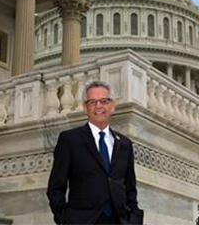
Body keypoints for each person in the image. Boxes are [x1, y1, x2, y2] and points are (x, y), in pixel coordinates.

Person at [47, 81, 143, 225]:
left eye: (104, 101)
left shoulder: (125, 144)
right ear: (85, 107)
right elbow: (56, 187)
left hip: (120, 221)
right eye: (92, 102)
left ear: (112, 105)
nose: (98, 106)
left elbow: (130, 188)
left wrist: (134, 218)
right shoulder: (70, 140)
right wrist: (64, 219)